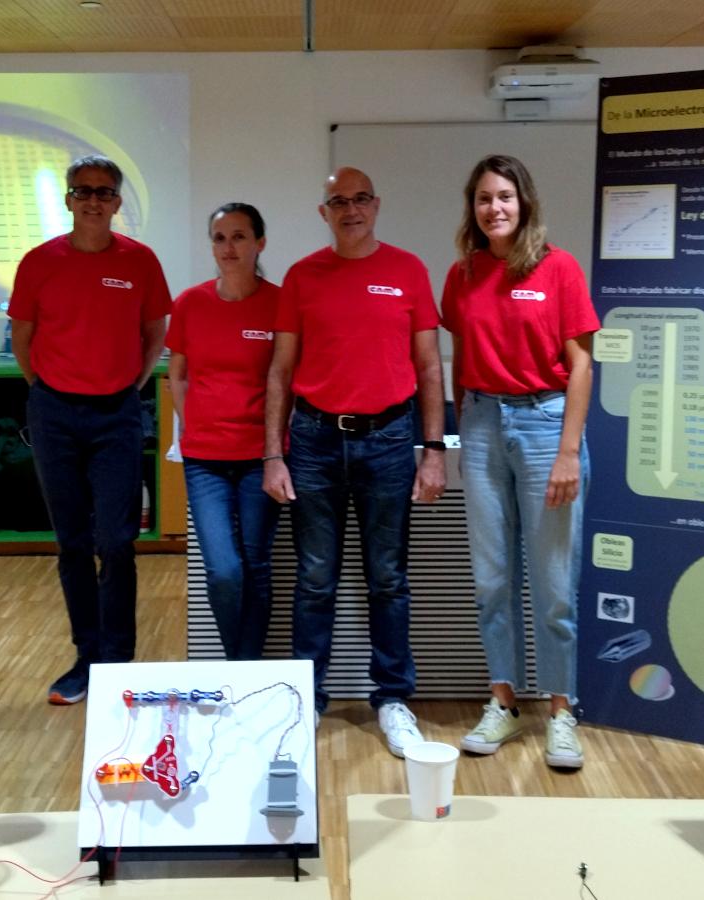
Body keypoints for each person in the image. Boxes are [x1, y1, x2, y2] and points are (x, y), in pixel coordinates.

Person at [262, 167, 447, 758]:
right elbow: (281, 372)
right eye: (338, 201)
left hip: (390, 440)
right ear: (324, 212)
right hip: (314, 440)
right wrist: (274, 453)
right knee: (316, 579)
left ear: (376, 204)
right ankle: (306, 700)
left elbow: (429, 367)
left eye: (360, 199)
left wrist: (433, 449)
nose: (350, 209)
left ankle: (393, 699)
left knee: (388, 579)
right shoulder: (301, 276)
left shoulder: (408, 270)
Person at [441, 154, 599, 769]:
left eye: (504, 196)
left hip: (544, 426)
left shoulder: (557, 268)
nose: (494, 208)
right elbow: (461, 352)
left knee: (555, 585)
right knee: (492, 579)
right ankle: (503, 701)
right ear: (472, 207)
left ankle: (561, 712)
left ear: (523, 201)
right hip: (481, 426)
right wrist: (464, 427)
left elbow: (582, 365)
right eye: (483, 197)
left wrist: (567, 451)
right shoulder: (462, 274)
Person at [9, 154, 171, 705]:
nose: (94, 200)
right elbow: (24, 341)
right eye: (84, 191)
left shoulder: (141, 262)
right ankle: (87, 656)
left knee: (118, 541)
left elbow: (154, 333)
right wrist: (53, 391)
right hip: (54, 414)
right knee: (73, 543)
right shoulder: (38, 262)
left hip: (116, 414)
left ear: (118, 202)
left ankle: (118, 660)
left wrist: (127, 383)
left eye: (104, 192)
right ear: (69, 200)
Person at [166, 203, 282, 660]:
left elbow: (288, 376)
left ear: (259, 243)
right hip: (205, 460)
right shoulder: (191, 303)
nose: (228, 247)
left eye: (238, 237)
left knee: (256, 565)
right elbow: (178, 373)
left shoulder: (279, 302)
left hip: (261, 457)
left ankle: (246, 668)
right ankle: (238, 663)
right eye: (219, 238)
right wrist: (191, 421)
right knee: (224, 571)